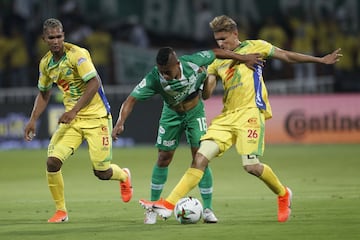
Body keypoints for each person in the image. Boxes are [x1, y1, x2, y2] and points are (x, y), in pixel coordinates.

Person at [139, 15, 342, 222]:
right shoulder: (217, 60)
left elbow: (287, 56)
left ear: (235, 34)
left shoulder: (256, 46)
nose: (220, 43)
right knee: (200, 158)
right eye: (217, 40)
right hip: (227, 116)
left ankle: (283, 194)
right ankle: (168, 204)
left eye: (224, 38)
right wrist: (205, 79)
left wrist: (320, 60)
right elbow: (207, 94)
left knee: (251, 166)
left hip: (250, 112)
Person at [112, 46, 262, 224]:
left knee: (201, 156)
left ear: (177, 63)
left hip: (195, 113)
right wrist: (120, 122)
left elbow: (217, 52)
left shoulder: (193, 62)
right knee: (163, 158)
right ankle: (152, 208)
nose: (165, 75)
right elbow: (131, 100)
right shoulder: (154, 78)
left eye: (167, 71)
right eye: (162, 72)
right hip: (171, 115)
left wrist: (244, 58)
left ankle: (207, 209)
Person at [24, 18, 133, 223]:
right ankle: (61, 211)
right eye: (51, 37)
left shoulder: (78, 55)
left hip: (97, 118)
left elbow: (94, 83)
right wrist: (33, 120)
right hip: (72, 121)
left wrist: (74, 110)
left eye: (59, 36)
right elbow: (44, 93)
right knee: (52, 161)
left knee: (101, 172)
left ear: (63, 36)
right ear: (44, 39)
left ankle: (124, 176)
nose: (56, 41)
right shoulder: (46, 64)